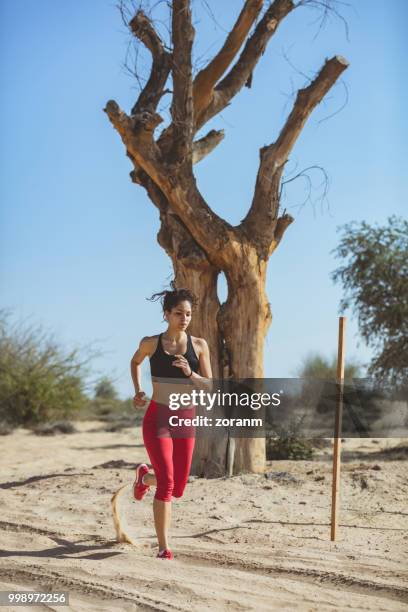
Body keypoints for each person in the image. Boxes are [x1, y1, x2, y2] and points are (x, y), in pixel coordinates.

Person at [130, 282, 212, 560]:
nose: (184, 319)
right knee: (166, 486)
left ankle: (144, 476)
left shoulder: (199, 346)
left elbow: (209, 386)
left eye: (188, 314)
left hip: (185, 419)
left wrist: (191, 372)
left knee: (178, 487)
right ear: (166, 314)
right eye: (178, 313)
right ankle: (164, 547)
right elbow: (135, 362)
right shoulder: (151, 343)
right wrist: (138, 390)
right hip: (158, 419)